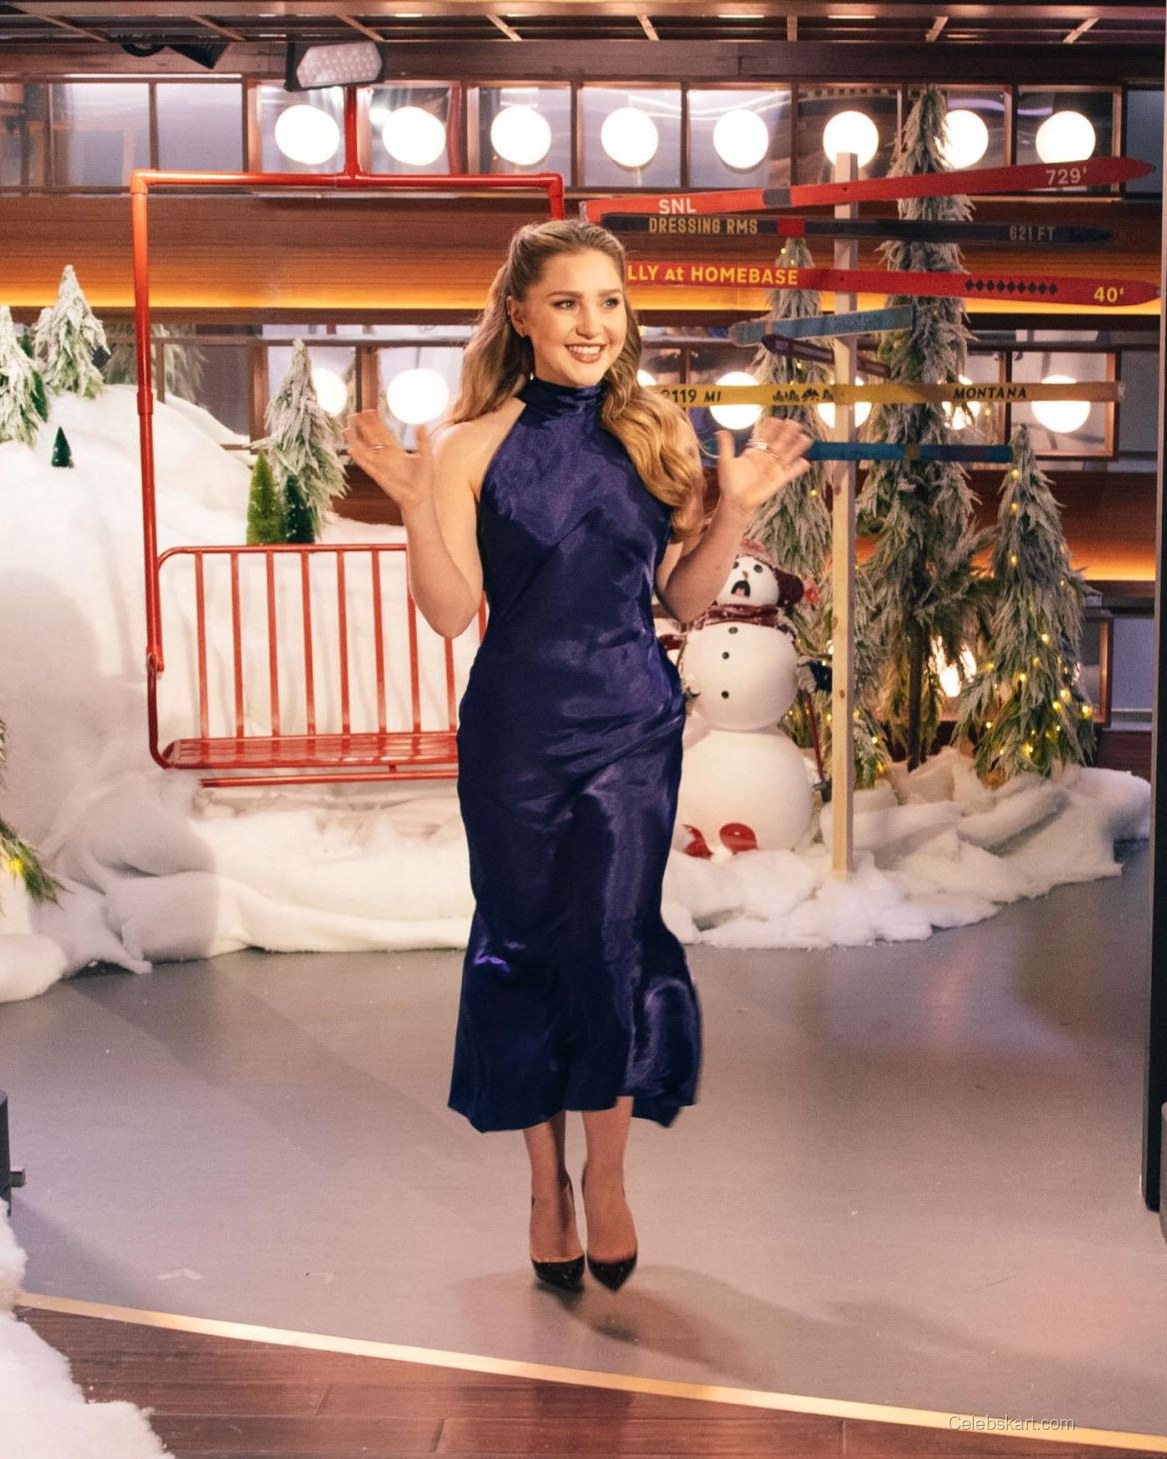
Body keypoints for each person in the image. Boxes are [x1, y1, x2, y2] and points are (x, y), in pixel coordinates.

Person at [345, 218, 811, 1293]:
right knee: (521, 944)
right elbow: (448, 610)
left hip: (631, 726)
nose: (591, 323)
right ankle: (543, 1186)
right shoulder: (466, 446)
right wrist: (415, 507)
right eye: (566, 302)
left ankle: (606, 1178)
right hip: (515, 731)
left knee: (610, 939)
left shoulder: (656, 431)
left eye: (608, 301)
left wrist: (733, 514)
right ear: (520, 314)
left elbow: (682, 600)